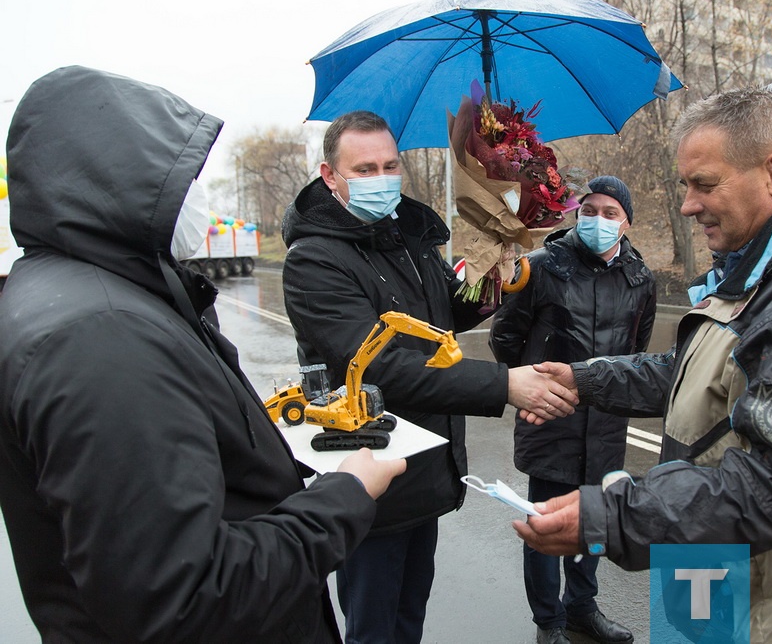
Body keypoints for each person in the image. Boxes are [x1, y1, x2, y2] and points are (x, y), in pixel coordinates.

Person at [0, 66, 407, 643]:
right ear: (115, 180)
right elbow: (186, 599)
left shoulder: (89, 295)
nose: (193, 202)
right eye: (178, 183)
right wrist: (346, 495)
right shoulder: (102, 336)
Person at [513, 87, 772, 642]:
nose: (687, 205)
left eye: (704, 184)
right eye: (685, 185)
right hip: (731, 590)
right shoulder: (764, 266)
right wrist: (584, 378)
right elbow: (695, 372)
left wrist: (611, 518)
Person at [281, 110, 577, 644]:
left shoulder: (410, 239)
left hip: (425, 467)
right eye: (365, 169)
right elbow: (382, 365)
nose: (382, 178)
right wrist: (504, 384)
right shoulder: (314, 262)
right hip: (368, 476)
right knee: (373, 629)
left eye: (390, 165)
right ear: (330, 176)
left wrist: (497, 271)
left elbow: (448, 312)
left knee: (408, 619)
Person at [489, 175, 655, 644]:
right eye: (590, 209)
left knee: (595, 517)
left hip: (605, 425)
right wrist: (532, 385)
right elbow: (505, 336)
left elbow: (637, 354)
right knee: (544, 522)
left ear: (625, 224)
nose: (598, 220)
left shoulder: (639, 279)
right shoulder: (541, 267)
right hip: (549, 418)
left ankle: (581, 606)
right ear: (576, 213)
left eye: (610, 213)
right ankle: (549, 622)